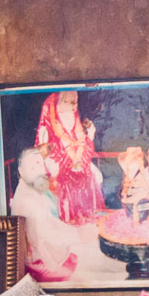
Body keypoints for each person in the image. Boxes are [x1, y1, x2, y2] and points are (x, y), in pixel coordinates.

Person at [31, 90, 104, 227]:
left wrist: (90, 130)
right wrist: (58, 157)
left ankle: (86, 217)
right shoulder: (50, 124)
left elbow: (85, 141)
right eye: (67, 103)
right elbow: (43, 149)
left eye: (73, 104)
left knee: (96, 175)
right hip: (57, 159)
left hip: (79, 159)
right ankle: (66, 220)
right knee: (62, 180)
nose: (71, 108)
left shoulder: (75, 121)